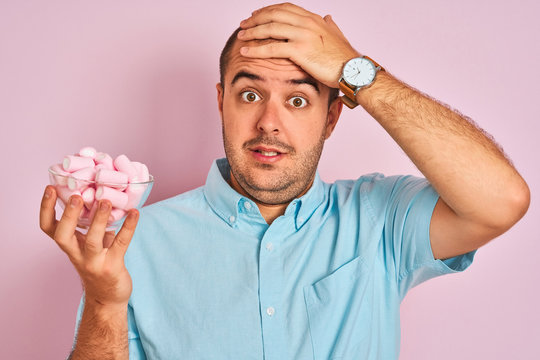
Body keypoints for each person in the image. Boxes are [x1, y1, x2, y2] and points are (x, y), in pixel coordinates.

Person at [39, 3, 530, 359]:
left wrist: (359, 73)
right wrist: (104, 303)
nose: (269, 123)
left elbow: (501, 200)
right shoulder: (133, 242)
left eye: (298, 100)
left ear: (332, 117)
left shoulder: (381, 219)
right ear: (221, 102)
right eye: (250, 94)